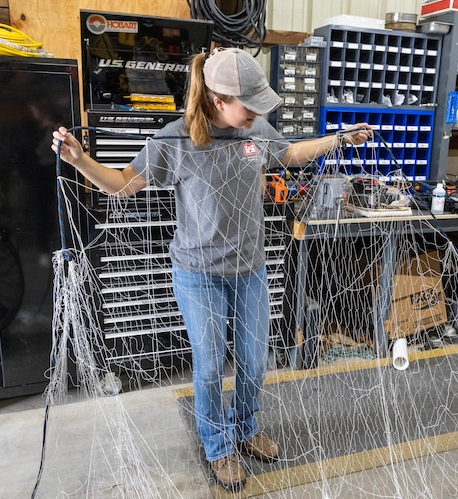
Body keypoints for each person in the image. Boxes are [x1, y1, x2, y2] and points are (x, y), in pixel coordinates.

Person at [52, 47, 372, 491]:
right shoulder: (175, 139)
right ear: (218, 100)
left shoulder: (255, 129)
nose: (258, 112)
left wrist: (340, 138)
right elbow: (123, 183)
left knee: (254, 360)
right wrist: (80, 161)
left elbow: (293, 152)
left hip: (250, 269)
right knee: (207, 366)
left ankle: (245, 427)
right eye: (250, 104)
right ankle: (218, 446)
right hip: (198, 273)